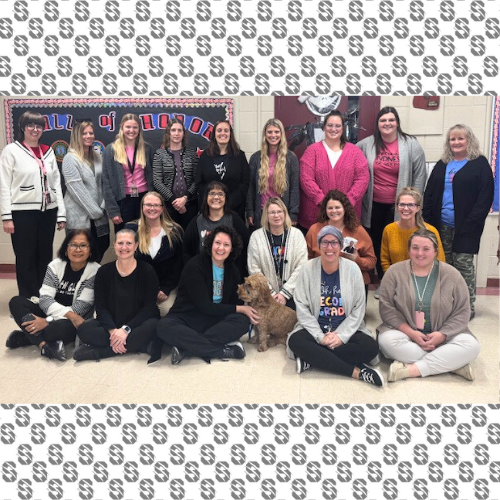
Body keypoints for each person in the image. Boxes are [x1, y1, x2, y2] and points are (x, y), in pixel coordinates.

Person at [378, 229, 480, 382]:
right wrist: (412, 333)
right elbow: (386, 308)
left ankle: (410, 370)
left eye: (426, 249)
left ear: (435, 251)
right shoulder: (394, 272)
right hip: (406, 334)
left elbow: (462, 311)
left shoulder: (452, 274)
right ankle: (452, 364)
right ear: (409, 249)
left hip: (444, 336)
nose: (420, 253)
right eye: (415, 248)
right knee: (386, 341)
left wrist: (442, 335)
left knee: (472, 345)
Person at [287, 226, 384, 387]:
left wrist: (341, 336)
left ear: (340, 246)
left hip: (345, 327)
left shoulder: (353, 269)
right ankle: (357, 372)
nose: (329, 248)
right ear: (319, 245)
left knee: (370, 347)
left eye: (334, 243)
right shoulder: (307, 268)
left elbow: (359, 307)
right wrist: (320, 336)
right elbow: (302, 307)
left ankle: (313, 359)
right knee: (296, 341)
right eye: (325, 242)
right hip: (315, 328)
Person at [153, 226, 259, 365]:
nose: (221, 248)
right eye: (218, 243)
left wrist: (241, 310)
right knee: (163, 326)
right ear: (210, 244)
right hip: (187, 317)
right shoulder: (195, 266)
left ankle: (186, 349)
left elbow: (230, 304)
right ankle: (221, 351)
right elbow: (205, 306)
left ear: (232, 249)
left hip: (214, 320)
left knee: (243, 321)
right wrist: (240, 308)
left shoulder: (233, 270)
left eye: (226, 245)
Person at [423, 124, 494, 319]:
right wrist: (427, 218)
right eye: (452, 139)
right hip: (441, 225)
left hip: (467, 226)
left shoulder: (479, 164)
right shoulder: (443, 163)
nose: (456, 142)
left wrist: (472, 221)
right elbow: (429, 192)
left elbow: (485, 197)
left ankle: (467, 307)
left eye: (460, 138)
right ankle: (447, 305)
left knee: (463, 265)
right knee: (444, 266)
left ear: (469, 140)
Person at [357, 106, 426, 291]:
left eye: (391, 120)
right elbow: (352, 161)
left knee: (402, 242)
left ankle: (404, 282)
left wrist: (414, 204)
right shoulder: (366, 144)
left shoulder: (411, 144)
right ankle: (385, 282)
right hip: (374, 204)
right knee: (379, 243)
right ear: (377, 124)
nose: (387, 123)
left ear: (397, 123)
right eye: (383, 120)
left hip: (401, 206)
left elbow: (420, 175)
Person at [0, 110, 66, 298]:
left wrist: (61, 214)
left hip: (48, 212)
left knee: (44, 256)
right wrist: (7, 217)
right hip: (22, 213)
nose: (35, 129)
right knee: (26, 257)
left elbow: (56, 185)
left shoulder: (48, 151)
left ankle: (43, 296)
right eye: (31, 125)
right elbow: (4, 185)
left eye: (39, 126)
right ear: (22, 127)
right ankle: (27, 299)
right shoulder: (11, 150)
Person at [7, 229, 100, 361]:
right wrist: (47, 319)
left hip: (73, 320)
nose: (78, 250)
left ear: (90, 250)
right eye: (73, 245)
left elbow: (81, 308)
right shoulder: (55, 266)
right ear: (66, 249)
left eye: (83, 245)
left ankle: (26, 337)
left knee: (56, 330)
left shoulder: (96, 271)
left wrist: (47, 321)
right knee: (16, 302)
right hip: (51, 312)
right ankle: (44, 345)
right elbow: (44, 299)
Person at [73, 229, 160, 361]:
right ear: (114, 245)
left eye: (129, 243)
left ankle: (99, 353)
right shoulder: (104, 271)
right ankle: (138, 346)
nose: (124, 247)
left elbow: (149, 307)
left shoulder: (147, 270)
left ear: (136, 245)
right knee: (84, 329)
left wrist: (125, 330)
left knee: (154, 326)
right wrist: (113, 331)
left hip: (138, 323)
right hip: (113, 323)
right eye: (120, 243)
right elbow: (100, 306)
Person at [298, 110, 369, 230]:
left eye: (337, 126)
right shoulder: (312, 151)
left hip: (347, 215)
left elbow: (362, 178)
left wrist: (348, 201)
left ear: (343, 128)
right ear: (324, 127)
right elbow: (306, 178)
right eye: (330, 125)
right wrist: (323, 201)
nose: (333, 129)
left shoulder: (355, 152)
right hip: (317, 214)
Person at [125, 192, 183, 317]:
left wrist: (166, 289)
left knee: (167, 312)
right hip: (137, 286)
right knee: (132, 312)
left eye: (156, 205)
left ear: (162, 208)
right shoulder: (130, 229)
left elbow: (178, 265)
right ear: (142, 207)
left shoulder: (175, 231)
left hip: (165, 288)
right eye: (148, 205)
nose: (152, 208)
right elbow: (124, 262)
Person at [306, 190, 376, 294]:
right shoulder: (314, 230)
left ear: (345, 209)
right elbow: (307, 259)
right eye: (330, 208)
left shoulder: (358, 231)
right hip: (322, 283)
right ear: (325, 210)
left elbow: (371, 261)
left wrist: (356, 259)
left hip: (353, 283)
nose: (334, 211)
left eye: (337, 207)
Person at [62, 118, 110, 262]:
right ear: (77, 135)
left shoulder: (97, 156)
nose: (89, 136)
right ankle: (81, 283)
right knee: (80, 253)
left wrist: (103, 206)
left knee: (102, 245)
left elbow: (104, 183)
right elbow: (77, 190)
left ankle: (93, 280)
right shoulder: (70, 159)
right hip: (79, 216)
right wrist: (95, 211)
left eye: (91, 133)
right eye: (84, 133)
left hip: (99, 215)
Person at [247, 197, 307, 310]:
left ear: (285, 214)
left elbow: (302, 266)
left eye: (279, 211)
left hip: (293, 295)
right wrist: (271, 293)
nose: (276, 215)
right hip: (265, 296)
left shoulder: (297, 235)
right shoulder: (256, 236)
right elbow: (254, 269)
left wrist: (285, 293)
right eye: (272, 212)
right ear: (266, 215)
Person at [102, 113, 155, 232]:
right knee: (125, 237)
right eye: (128, 127)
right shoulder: (111, 150)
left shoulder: (147, 149)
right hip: (123, 201)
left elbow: (154, 176)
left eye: (135, 127)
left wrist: (154, 202)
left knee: (146, 236)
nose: (131, 130)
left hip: (145, 199)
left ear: (139, 129)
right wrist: (113, 210)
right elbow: (106, 182)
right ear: (122, 128)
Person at [183, 180, 249, 275]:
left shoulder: (235, 221)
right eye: (212, 193)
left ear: (226, 198)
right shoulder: (196, 222)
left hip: (229, 275)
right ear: (206, 197)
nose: (216, 197)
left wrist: (236, 271)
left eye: (220, 194)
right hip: (202, 274)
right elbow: (186, 251)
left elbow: (245, 247)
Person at [246, 118, 299, 229]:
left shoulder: (291, 158)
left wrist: (293, 213)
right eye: (269, 132)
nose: (273, 135)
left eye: (276, 132)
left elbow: (294, 188)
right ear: (265, 134)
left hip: (281, 213)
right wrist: (250, 211)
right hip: (261, 212)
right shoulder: (256, 158)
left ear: (281, 134)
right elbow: (250, 187)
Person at [380, 187, 445, 274]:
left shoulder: (430, 231)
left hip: (424, 281)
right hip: (396, 281)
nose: (406, 208)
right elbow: (385, 260)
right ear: (396, 206)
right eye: (402, 204)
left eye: (410, 205)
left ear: (418, 208)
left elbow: (440, 261)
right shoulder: (389, 230)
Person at [195, 120, 249, 220]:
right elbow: (199, 183)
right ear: (214, 134)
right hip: (210, 211)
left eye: (226, 130)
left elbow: (244, 184)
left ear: (230, 134)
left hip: (234, 210)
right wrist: (213, 201)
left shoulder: (240, 156)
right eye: (219, 130)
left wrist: (227, 203)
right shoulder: (205, 156)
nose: (222, 133)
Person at [152, 118, 199, 230]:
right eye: (173, 130)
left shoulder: (191, 153)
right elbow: (157, 181)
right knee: (171, 238)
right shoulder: (160, 154)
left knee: (188, 237)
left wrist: (185, 198)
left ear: (183, 133)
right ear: (168, 133)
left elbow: (197, 179)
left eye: (179, 130)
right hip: (168, 206)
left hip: (190, 205)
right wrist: (173, 200)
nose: (176, 133)